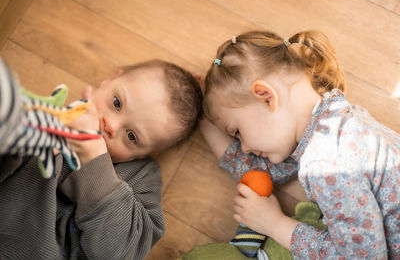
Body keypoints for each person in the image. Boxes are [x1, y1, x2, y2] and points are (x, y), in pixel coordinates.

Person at [199, 30, 400, 259]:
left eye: (237, 132)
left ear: (266, 96)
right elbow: (253, 171)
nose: (244, 147)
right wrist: (202, 119)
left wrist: (275, 225)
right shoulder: (336, 119)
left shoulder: (326, 164)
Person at [0, 58, 203, 259]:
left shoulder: (142, 177)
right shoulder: (44, 117)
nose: (111, 125)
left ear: (146, 153)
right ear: (110, 79)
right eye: (116, 103)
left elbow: (126, 250)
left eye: (131, 136)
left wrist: (94, 159)